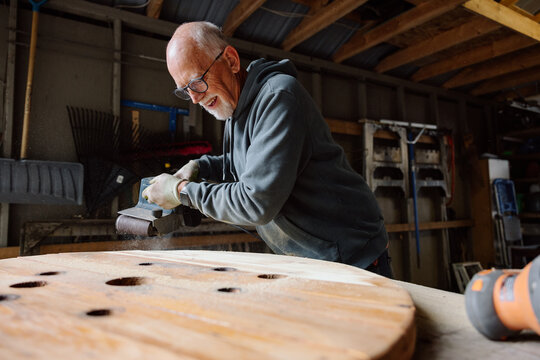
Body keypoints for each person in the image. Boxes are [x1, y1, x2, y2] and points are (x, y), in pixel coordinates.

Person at [142, 21, 392, 277]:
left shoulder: (278, 97)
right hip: (313, 258)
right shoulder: (235, 109)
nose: (194, 98)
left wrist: (181, 191)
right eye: (185, 90)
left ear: (231, 60)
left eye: (197, 81)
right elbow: (246, 163)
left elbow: (255, 202)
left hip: (351, 255)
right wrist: (201, 166)